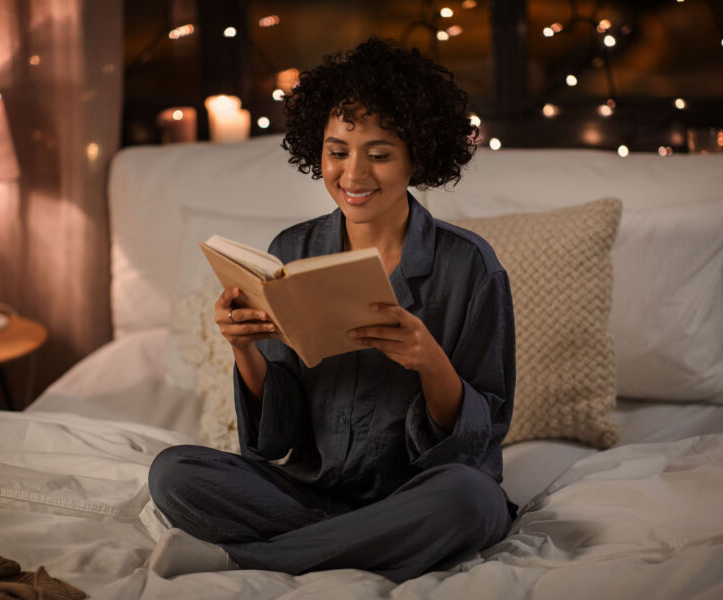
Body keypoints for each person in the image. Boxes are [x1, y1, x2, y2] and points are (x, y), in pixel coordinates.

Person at [148, 37, 516, 583]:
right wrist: (243, 349)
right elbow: (275, 440)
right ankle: (359, 538)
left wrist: (431, 362)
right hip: (310, 489)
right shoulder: (291, 251)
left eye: (380, 153)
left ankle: (246, 558)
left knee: (473, 501)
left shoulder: (471, 266)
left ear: (418, 156)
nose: (353, 175)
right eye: (337, 151)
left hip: (421, 492)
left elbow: (482, 435)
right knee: (173, 473)